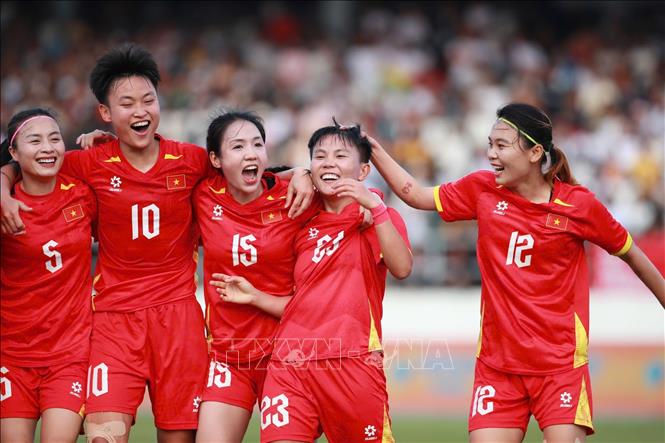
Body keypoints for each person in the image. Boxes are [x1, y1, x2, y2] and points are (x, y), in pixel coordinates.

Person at [0, 43, 314, 443]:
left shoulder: (192, 161)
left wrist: (301, 171)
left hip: (178, 321)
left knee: (179, 437)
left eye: (148, 100)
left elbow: (243, 168)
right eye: (127, 103)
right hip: (114, 321)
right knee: (103, 436)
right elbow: (26, 161)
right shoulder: (87, 163)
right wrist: (3, 186)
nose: (141, 111)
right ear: (105, 113)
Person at [366, 102, 665, 443]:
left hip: (560, 368)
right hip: (498, 368)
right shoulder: (482, 189)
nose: (491, 154)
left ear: (535, 152)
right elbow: (416, 195)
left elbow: (632, 254)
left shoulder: (579, 206)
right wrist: (373, 150)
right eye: (490, 144)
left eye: (502, 145)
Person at [211, 121, 412, 443]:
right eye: (320, 156)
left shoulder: (375, 218)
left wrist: (376, 207)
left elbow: (402, 268)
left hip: (351, 362)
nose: (328, 163)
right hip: (288, 363)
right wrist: (256, 297)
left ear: (363, 171)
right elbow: (303, 304)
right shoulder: (300, 221)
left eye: (340, 156)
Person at [192, 110, 321, 443]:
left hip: (284, 355)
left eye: (257, 144)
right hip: (228, 355)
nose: (250, 153)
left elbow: (346, 194)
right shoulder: (203, 195)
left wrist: (306, 173)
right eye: (237, 147)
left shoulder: (294, 196)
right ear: (216, 159)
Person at [0, 109, 96, 443]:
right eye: (35, 140)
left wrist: (111, 145)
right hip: (12, 355)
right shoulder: (5, 205)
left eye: (55, 138)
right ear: (14, 153)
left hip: (70, 355)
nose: (47, 147)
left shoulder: (83, 195)